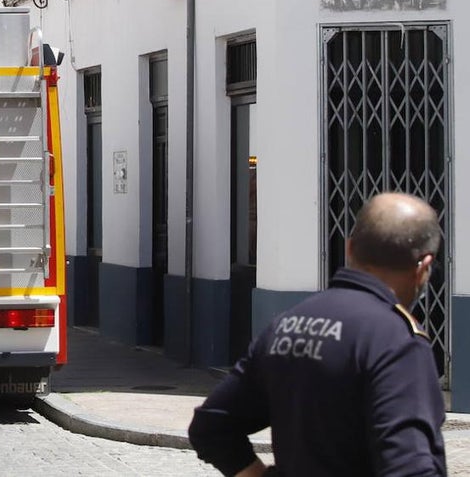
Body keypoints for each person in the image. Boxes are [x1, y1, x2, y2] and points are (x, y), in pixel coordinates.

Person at [188, 192, 446, 476]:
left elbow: (212, 426)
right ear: (423, 267)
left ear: (349, 248)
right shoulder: (396, 341)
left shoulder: (287, 324)